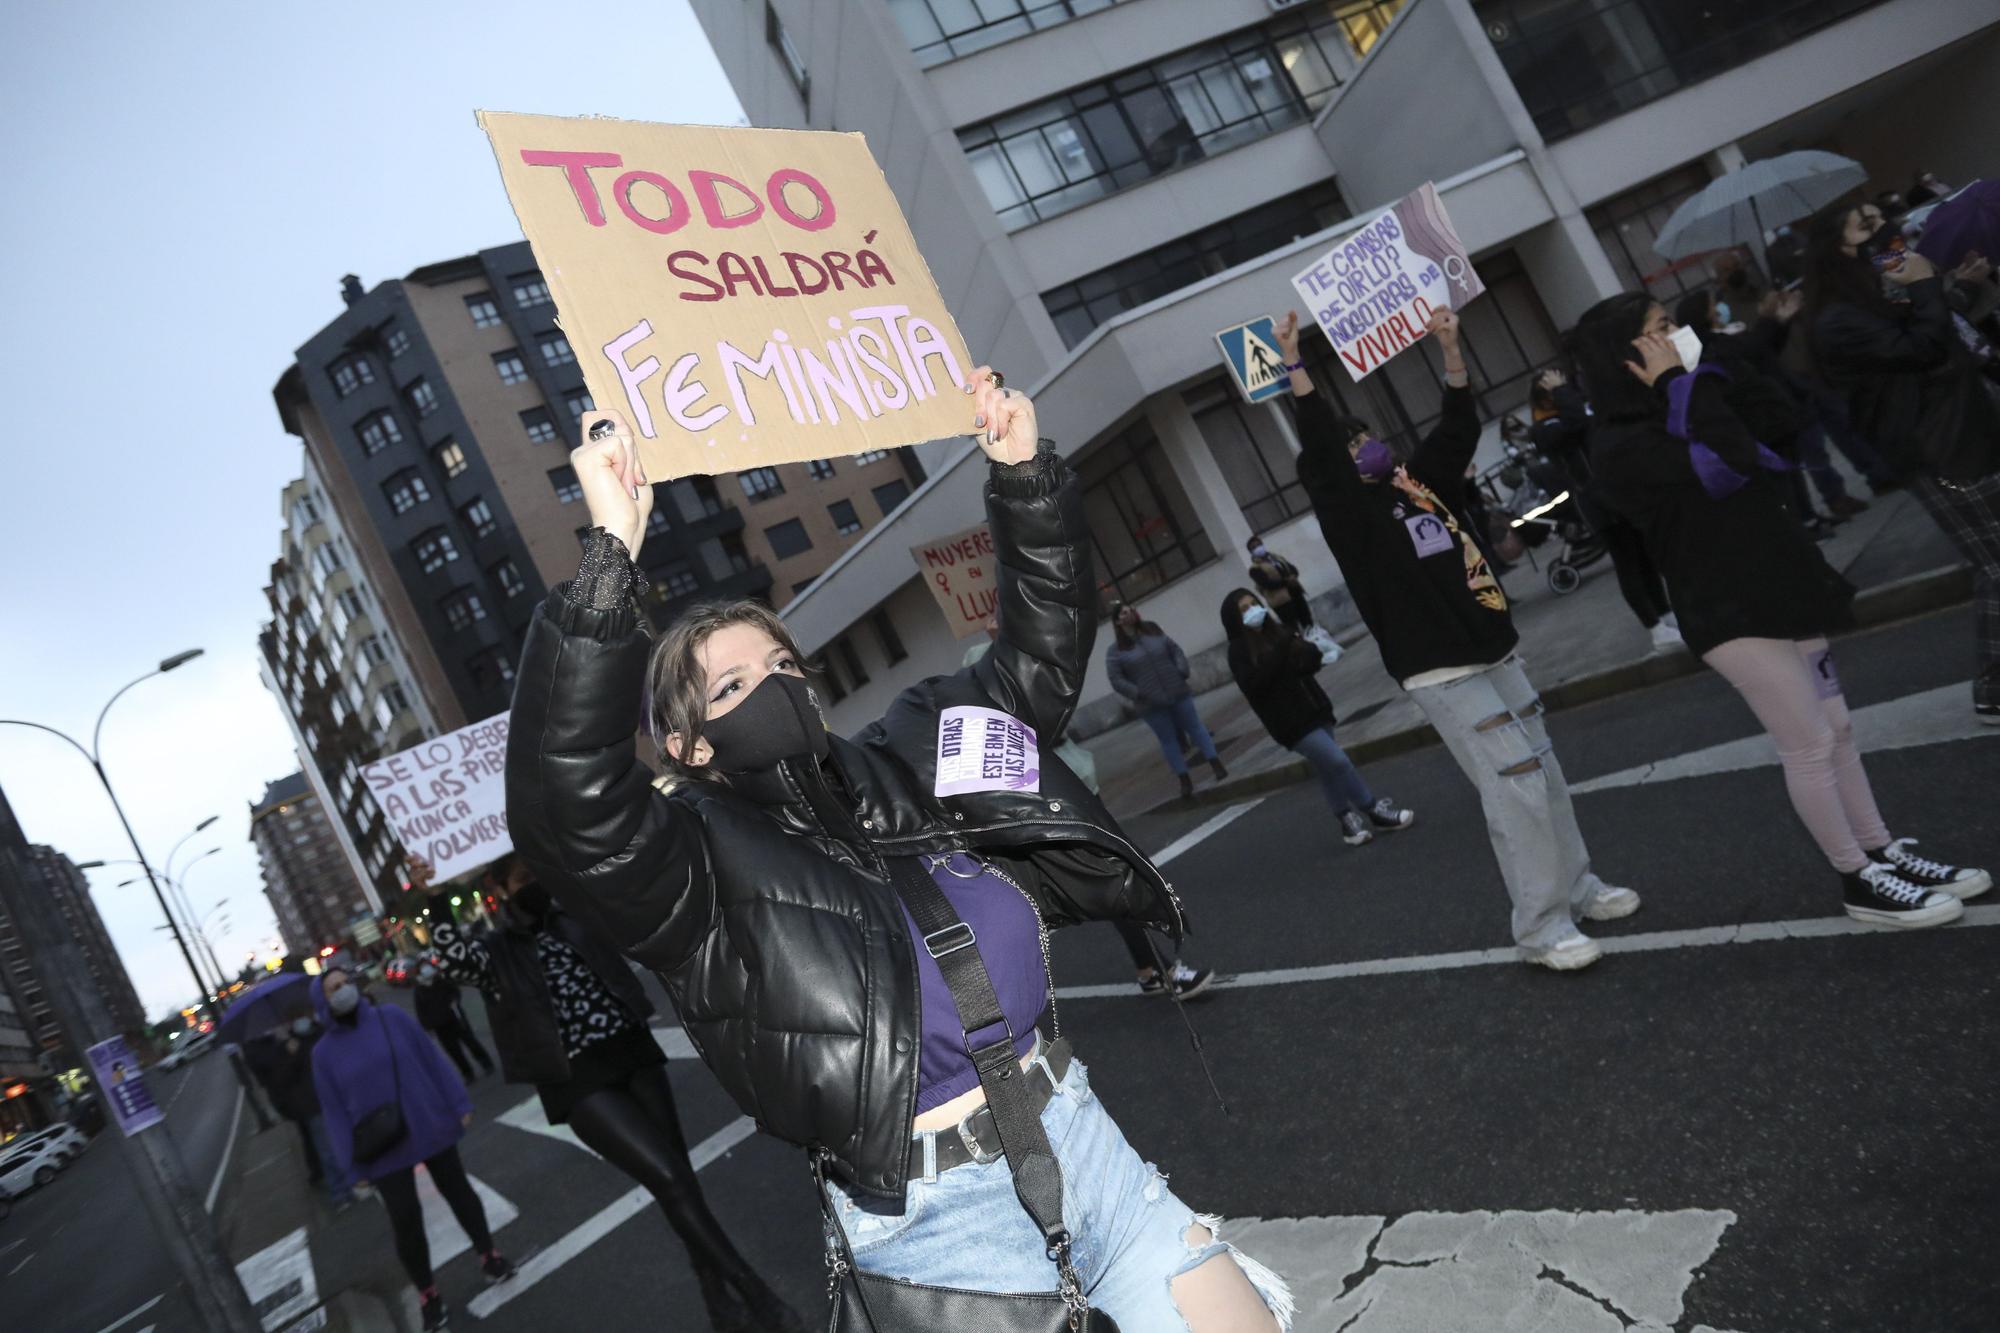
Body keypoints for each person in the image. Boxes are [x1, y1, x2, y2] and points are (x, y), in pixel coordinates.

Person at [505, 374, 1292, 1331]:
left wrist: (1023, 478)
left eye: (784, 664)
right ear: (687, 747)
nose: (774, 686)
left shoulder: (914, 749)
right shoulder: (693, 870)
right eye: (733, 686)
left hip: (1081, 1137)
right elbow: (565, 802)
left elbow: (1035, 663)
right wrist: (608, 557)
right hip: (936, 1231)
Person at [1577, 292, 1988, 923]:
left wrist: (1708, 365)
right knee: (1808, 741)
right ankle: (1857, 880)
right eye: (1660, 330)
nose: (1676, 336)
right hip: (1727, 605)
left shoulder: (1689, 391)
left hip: (1782, 581)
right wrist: (1682, 388)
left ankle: (1879, 851)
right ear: (1624, 355)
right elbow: (1723, 462)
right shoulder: (1618, 442)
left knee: (1840, 729)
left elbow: (1776, 418)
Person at [1274, 308, 1639, 971]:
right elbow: (1323, 450)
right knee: (1515, 784)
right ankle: (1540, 925)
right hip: (1441, 669)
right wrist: (1297, 367)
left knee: (1544, 769)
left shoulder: (1416, 489)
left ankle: (1578, 886)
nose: (1369, 449)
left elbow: (1459, 427)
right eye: (1354, 447)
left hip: (1493, 649)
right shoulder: (1351, 514)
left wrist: (1451, 352)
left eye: (1370, 438)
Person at [415, 855, 804, 1333]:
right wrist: (433, 898)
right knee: (668, 1176)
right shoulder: (495, 953)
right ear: (499, 891)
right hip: (576, 1083)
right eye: (522, 879)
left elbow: (619, 898)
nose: (533, 882)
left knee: (677, 1180)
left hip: (633, 1053)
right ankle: (758, 1297)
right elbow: (453, 960)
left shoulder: (575, 915)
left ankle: (718, 1302)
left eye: (537, 872)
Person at [1803, 201, 2000, 723]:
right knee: (1996, 563)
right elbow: (1920, 349)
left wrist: (1953, 286)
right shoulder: (1837, 319)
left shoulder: (1876, 286)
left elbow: (1934, 332)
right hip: (1940, 448)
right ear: (1839, 246)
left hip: (1970, 424)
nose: (1884, 232)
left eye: (1879, 218)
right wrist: (1925, 287)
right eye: (1866, 226)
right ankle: (1993, 685)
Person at [966, 617, 1213, 999]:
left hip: (1077, 781)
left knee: (1112, 873)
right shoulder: (981, 665)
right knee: (1111, 877)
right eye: (993, 615)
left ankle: (1149, 970)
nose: (999, 617)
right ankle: (1165, 970)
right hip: (1048, 795)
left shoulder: (1035, 657)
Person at [310, 967, 516, 1331]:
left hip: (428, 1122)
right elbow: (335, 1114)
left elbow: (430, 1057)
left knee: (460, 1192)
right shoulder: (323, 1054)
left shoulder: (390, 1018)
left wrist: (458, 1101)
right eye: (333, 989)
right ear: (321, 1002)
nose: (343, 991)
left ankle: (490, 1256)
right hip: (382, 1147)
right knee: (406, 1221)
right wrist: (352, 1168)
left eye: (345, 984)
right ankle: (428, 1294)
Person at [1222, 587, 1413, 846]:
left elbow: (1307, 667)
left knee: (1328, 769)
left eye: (1254, 604)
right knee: (1339, 762)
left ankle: (1347, 823)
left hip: (1315, 708)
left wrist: (1308, 651)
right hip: (1290, 723)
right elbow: (1256, 686)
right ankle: (1373, 810)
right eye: (1244, 609)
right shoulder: (1239, 650)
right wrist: (1281, 648)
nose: (1252, 611)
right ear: (1234, 617)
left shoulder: (1276, 631)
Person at [1673, 288, 1869, 535]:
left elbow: (1763, 350)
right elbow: (1753, 347)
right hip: (1761, 420)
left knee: (1794, 470)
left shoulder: (1720, 339)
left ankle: (1808, 517)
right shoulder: (1709, 347)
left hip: (1774, 413)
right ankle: (1803, 521)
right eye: (1713, 305)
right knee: (1789, 473)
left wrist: (1778, 323)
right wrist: (1770, 319)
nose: (1718, 309)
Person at [1529, 367, 1682, 650]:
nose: (1562, 389)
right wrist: (1562, 394)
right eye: (1553, 387)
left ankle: (1666, 614)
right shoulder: (1543, 428)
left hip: (1618, 491)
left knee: (1645, 558)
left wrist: (1567, 392)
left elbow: (1589, 420)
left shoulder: (1572, 407)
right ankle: (1655, 628)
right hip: (1597, 501)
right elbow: (1577, 425)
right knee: (1627, 563)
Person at [1106, 602, 1230, 799]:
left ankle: (1216, 763)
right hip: (1150, 703)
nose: (1129, 614)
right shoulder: (1116, 651)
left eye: (1130, 610)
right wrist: (1137, 692)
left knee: (1195, 727)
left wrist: (1182, 670)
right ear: (1117, 621)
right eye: (1123, 613)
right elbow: (1116, 679)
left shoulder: (1152, 630)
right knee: (1168, 740)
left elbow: (1175, 650)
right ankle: (1184, 779)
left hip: (1177, 690)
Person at [251, 1016, 353, 1210]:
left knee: (342, 1142)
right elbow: (280, 1079)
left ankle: (352, 1182)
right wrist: (291, 1054)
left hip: (329, 1096)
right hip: (309, 1103)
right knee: (326, 1150)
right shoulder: (283, 1047)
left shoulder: (317, 1033)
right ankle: (340, 1192)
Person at [1246, 536, 1342, 664]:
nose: (1258, 548)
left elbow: (1292, 568)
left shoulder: (1275, 557)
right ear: (1251, 552)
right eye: (1254, 547)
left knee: (1307, 622)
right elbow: (1267, 583)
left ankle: (1320, 650)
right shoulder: (1255, 568)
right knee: (1292, 628)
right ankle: (1304, 658)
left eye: (1259, 544)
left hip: (1295, 593)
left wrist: (1292, 576)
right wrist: (1286, 582)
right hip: (1281, 601)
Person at [412, 958, 494, 1084]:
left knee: (470, 1042)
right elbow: (421, 1010)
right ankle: (467, 1073)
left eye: (427, 966)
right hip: (440, 1026)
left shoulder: (442, 979)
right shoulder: (419, 990)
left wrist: (454, 1002)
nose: (426, 969)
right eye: (422, 967)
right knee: (454, 1052)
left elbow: (455, 991)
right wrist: (427, 1025)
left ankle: (486, 1063)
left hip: (455, 1018)